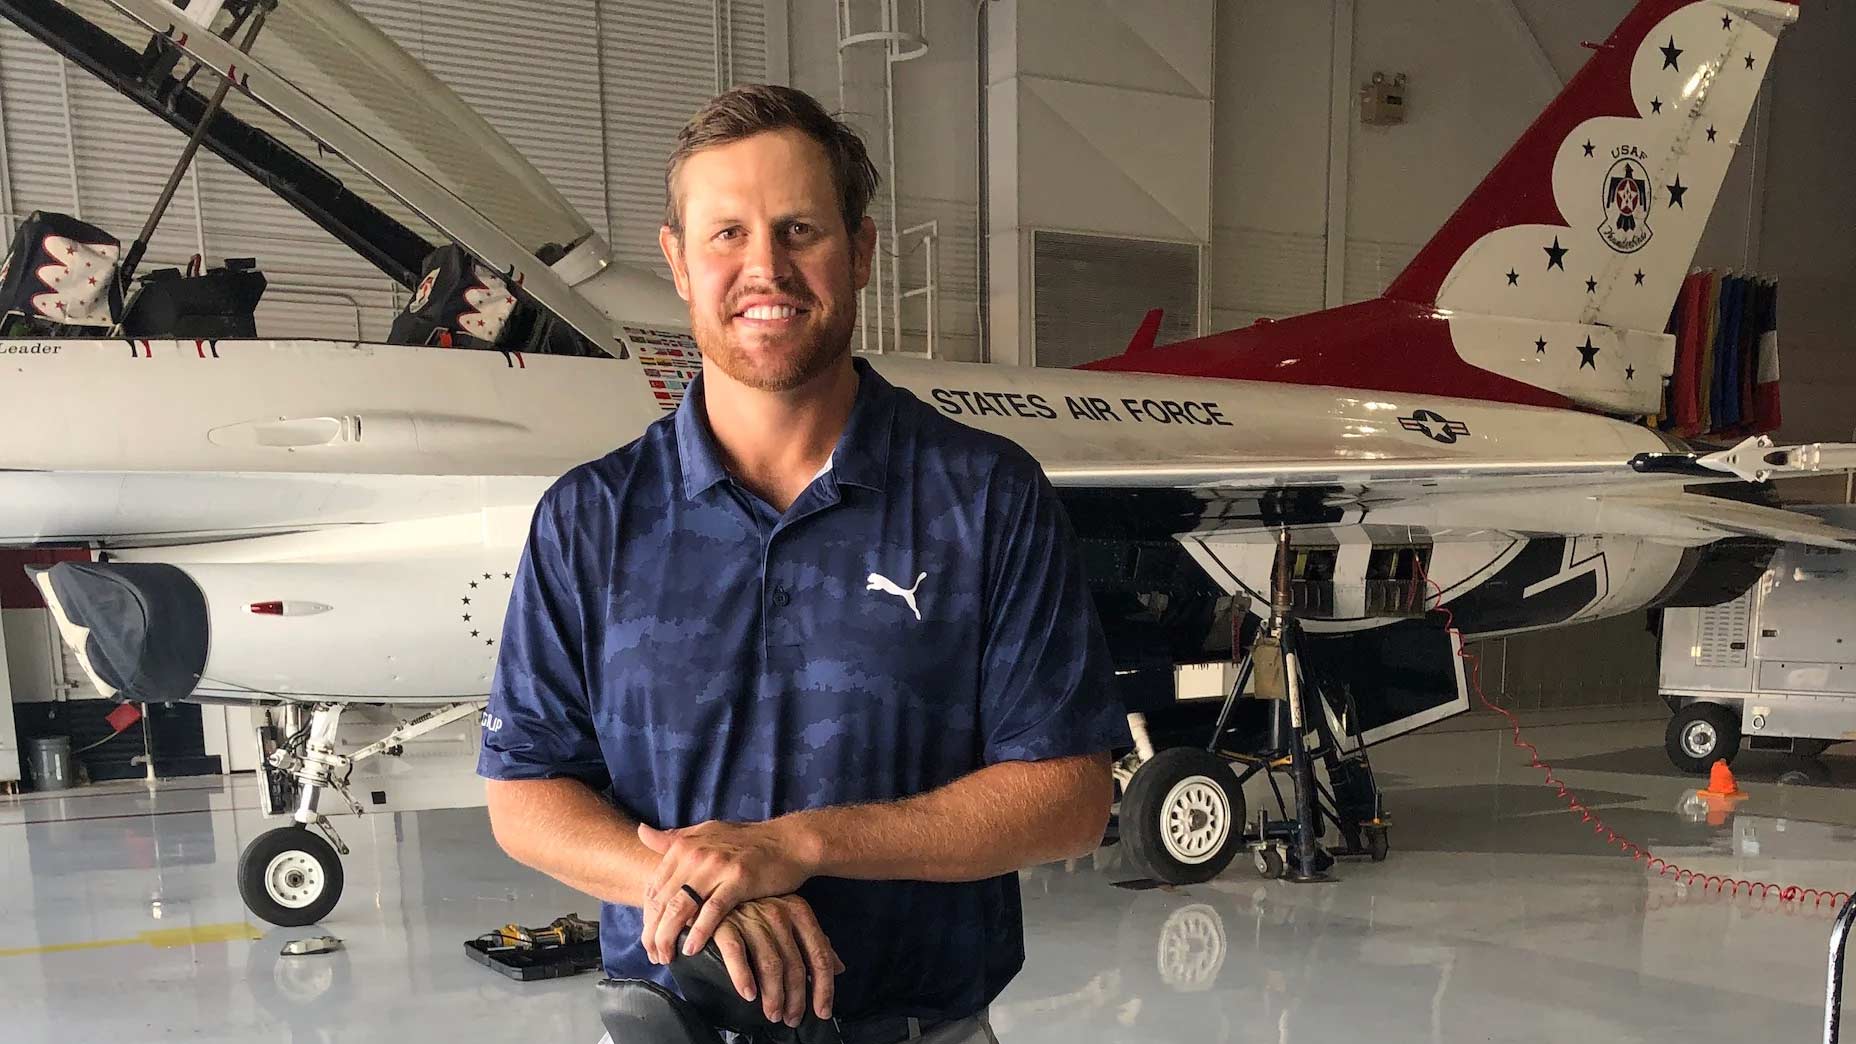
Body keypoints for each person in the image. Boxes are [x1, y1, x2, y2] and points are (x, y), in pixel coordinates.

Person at [478, 83, 1128, 1044]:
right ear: (679, 263)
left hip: (915, 1021)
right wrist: (705, 890)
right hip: (670, 1020)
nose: (764, 269)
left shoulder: (983, 497)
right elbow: (525, 792)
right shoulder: (591, 519)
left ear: (860, 251)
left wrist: (796, 847)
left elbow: (1069, 796)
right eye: (726, 235)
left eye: (799, 230)